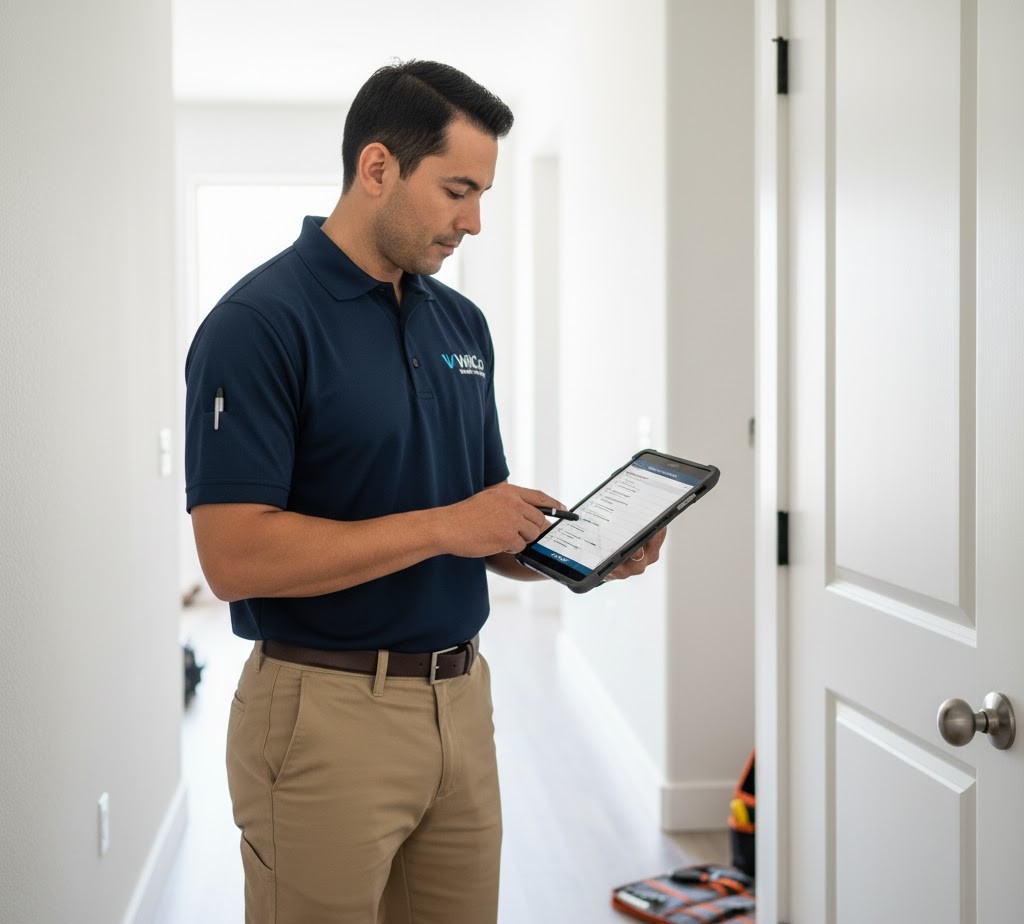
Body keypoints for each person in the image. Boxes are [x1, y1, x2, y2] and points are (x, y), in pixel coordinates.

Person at [184, 59, 665, 924]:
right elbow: (233, 559)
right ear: (377, 168)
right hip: (322, 715)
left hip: (463, 704)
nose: (473, 221)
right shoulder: (257, 324)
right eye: (456, 190)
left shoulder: (460, 323)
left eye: (482, 194)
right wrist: (448, 525)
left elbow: (482, 526)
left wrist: (575, 556)